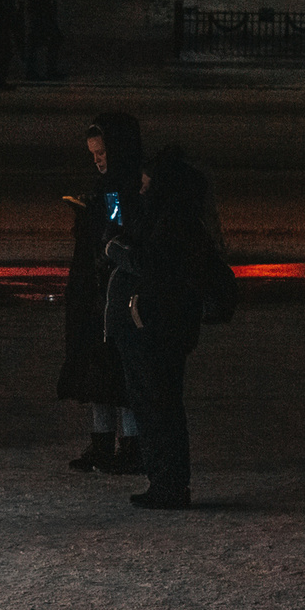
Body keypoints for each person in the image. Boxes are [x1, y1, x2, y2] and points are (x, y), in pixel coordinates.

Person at [103, 146, 216, 509]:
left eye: (147, 184)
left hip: (155, 326)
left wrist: (115, 251)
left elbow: (151, 263)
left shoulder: (173, 221)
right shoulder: (170, 216)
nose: (141, 190)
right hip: (153, 324)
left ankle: (168, 483)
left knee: (159, 404)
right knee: (154, 403)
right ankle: (164, 480)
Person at [60, 111, 145, 475]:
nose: (97, 159)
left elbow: (117, 228)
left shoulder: (121, 187)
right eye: (93, 152)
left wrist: (96, 219)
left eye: (102, 152)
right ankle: (104, 441)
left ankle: (128, 444)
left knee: (117, 369)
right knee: (99, 367)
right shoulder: (110, 185)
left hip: (113, 288)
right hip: (95, 289)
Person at [25, 0, 63, 80]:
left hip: (40, 13)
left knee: (37, 42)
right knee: (52, 40)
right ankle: (48, 70)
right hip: (43, 13)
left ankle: (33, 70)